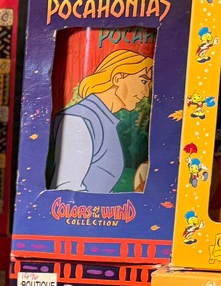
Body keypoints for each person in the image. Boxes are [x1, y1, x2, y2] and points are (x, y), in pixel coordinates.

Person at [48, 49, 153, 193]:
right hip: (80, 208)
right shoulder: (78, 119)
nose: (146, 92)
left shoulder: (104, 120)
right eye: (143, 81)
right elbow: (67, 190)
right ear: (118, 78)